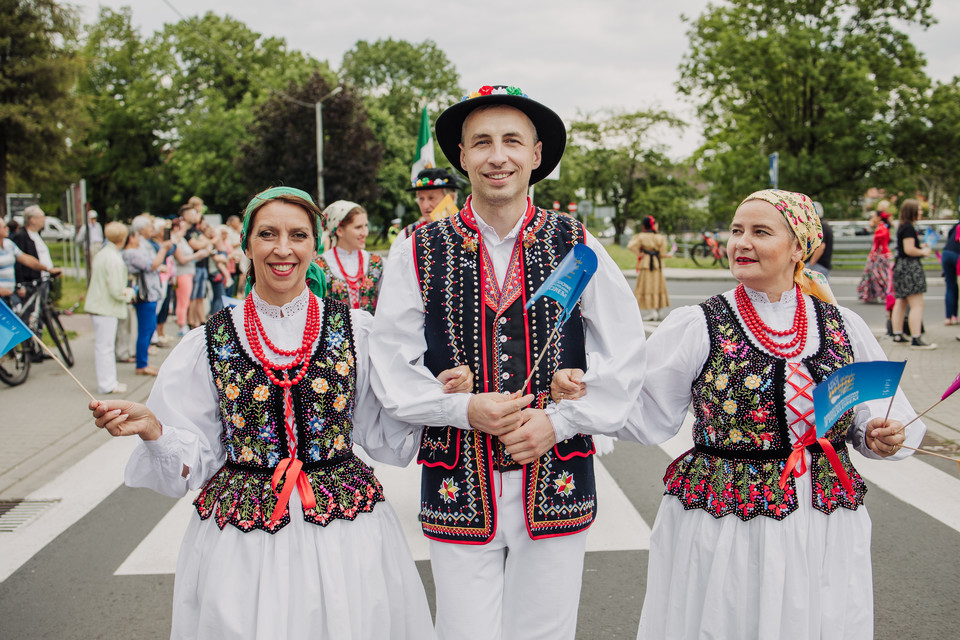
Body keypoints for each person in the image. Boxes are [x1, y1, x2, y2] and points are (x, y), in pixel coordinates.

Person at [87, 186, 479, 639]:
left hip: (345, 527)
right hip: (242, 538)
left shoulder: (356, 330)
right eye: (268, 234)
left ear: (315, 245)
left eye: (297, 235)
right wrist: (154, 428)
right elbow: (194, 457)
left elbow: (382, 429)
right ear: (247, 244)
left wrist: (436, 395)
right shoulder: (208, 341)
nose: (282, 248)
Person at [554, 188, 926, 640]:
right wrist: (581, 395)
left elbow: (884, 415)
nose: (741, 243)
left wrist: (877, 435)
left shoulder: (841, 325)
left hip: (823, 516)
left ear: (798, 249)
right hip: (727, 519)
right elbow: (646, 410)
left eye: (760, 232)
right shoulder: (699, 324)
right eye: (736, 231)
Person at [370, 85, 646, 640]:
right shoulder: (417, 246)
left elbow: (627, 348)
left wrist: (562, 419)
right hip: (457, 477)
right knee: (464, 630)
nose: (498, 156)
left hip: (557, 471)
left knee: (545, 630)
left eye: (512, 141)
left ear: (537, 155)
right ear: (463, 157)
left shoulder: (575, 242)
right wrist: (459, 406)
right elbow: (390, 362)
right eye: (482, 143)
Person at [85, 222, 134, 395]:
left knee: (104, 346)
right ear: (123, 238)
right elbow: (115, 289)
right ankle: (107, 383)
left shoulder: (103, 253)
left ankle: (109, 381)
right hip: (105, 307)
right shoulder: (114, 258)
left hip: (100, 305)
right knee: (105, 347)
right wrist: (128, 294)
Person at [123, 215, 173, 375]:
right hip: (145, 295)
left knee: (149, 328)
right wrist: (164, 249)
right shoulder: (132, 252)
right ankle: (141, 365)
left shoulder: (138, 249)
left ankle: (144, 362)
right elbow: (151, 264)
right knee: (145, 330)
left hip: (150, 292)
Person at [315, 200, 383, 313]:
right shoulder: (320, 266)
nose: (365, 232)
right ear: (340, 231)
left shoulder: (376, 262)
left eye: (365, 226)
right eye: (358, 227)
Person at [388, 167, 461, 260]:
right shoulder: (407, 235)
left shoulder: (467, 231)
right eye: (421, 199)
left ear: (451, 198)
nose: (425, 206)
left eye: (431, 198)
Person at [890, 198, 935, 349]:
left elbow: (905, 248)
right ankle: (916, 337)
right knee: (917, 303)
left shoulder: (903, 226)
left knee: (901, 301)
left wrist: (919, 245)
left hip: (900, 266)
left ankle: (897, 333)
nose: (921, 212)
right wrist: (923, 251)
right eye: (919, 210)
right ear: (912, 211)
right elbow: (909, 250)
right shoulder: (909, 227)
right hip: (910, 268)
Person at [0, 216, 61, 306]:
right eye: (4, 227)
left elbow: (27, 260)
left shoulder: (9, 244)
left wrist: (47, 269)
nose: (7, 229)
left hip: (9, 296)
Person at [627, 214, 670, 321]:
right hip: (656, 264)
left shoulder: (641, 236)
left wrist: (640, 254)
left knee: (646, 286)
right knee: (658, 286)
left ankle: (652, 312)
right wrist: (669, 254)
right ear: (653, 225)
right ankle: (658, 311)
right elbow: (663, 253)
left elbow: (631, 246)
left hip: (646, 262)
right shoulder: (660, 238)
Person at [183, 203, 214, 328]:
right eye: (192, 213)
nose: (195, 215)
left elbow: (206, 242)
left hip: (202, 265)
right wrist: (202, 244)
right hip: (194, 266)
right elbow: (196, 245)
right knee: (193, 295)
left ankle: (200, 320)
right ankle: (191, 321)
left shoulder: (195, 230)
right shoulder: (186, 231)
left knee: (200, 295)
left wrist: (203, 244)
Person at [856, 208, 892, 303]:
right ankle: (877, 295)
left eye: (874, 216)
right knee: (877, 276)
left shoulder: (881, 228)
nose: (872, 218)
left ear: (879, 218)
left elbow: (879, 243)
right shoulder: (882, 227)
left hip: (879, 256)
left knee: (878, 276)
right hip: (880, 255)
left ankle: (883, 294)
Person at [805, 202, 833, 279]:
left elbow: (821, 246)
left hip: (818, 265)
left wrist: (810, 264)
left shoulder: (820, 226)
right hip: (824, 265)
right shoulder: (825, 225)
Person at [940, 217, 959, 326]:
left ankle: (949, 317)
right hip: (957, 255)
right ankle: (955, 317)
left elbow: (949, 236)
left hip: (946, 253)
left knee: (950, 286)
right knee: (957, 287)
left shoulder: (957, 225)